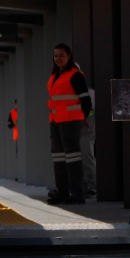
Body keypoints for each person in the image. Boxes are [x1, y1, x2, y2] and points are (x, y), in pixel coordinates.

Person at [47, 43, 93, 205]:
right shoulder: (54, 76)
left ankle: (77, 194)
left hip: (70, 122)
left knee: (73, 158)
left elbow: (86, 101)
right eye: (56, 56)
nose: (58, 58)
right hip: (56, 122)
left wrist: (81, 119)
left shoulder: (75, 75)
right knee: (58, 158)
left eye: (62, 55)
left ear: (69, 56)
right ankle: (62, 192)